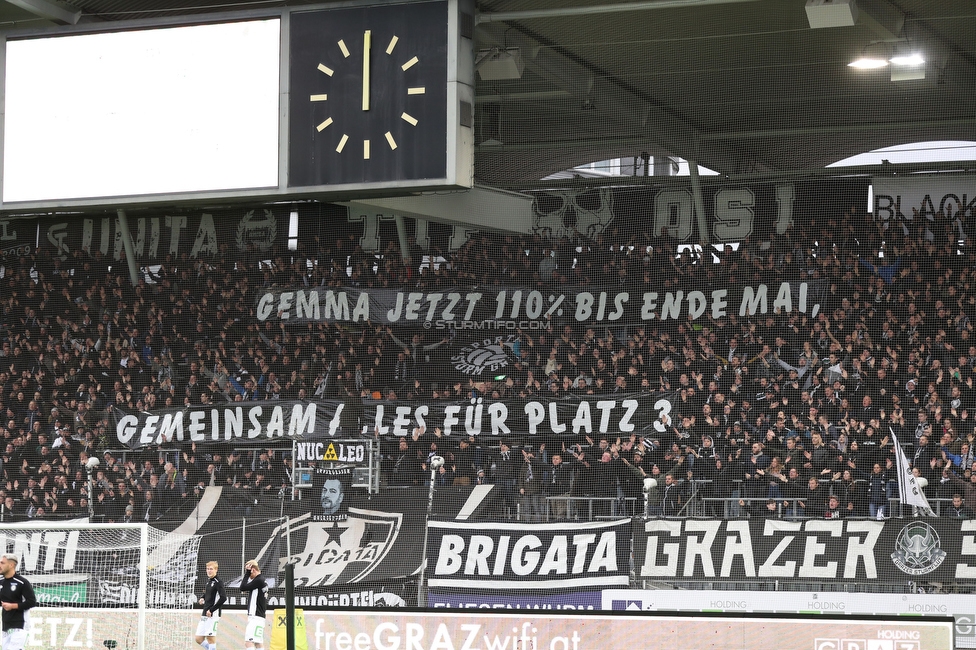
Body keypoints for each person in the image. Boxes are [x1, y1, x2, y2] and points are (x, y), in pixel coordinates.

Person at [1, 553, 37, 650]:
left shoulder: (22, 582)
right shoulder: (1, 582)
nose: (0, 565)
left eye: (2, 563)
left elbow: (32, 602)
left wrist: (12, 606)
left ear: (11, 565)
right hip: (5, 626)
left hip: (20, 625)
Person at [194, 560, 226, 650]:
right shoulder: (209, 581)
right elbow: (208, 593)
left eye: (211, 569)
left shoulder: (218, 582)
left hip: (213, 614)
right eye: (207, 569)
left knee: (210, 638)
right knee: (198, 638)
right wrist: (202, 597)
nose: (209, 571)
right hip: (205, 613)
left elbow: (223, 598)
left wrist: (211, 610)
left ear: (216, 570)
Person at [241, 560, 268, 650]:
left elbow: (242, 587)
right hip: (259, 616)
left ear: (252, 570)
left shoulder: (259, 580)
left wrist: (247, 573)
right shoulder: (262, 580)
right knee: (258, 643)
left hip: (255, 616)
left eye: (249, 571)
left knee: (248, 642)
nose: (249, 576)